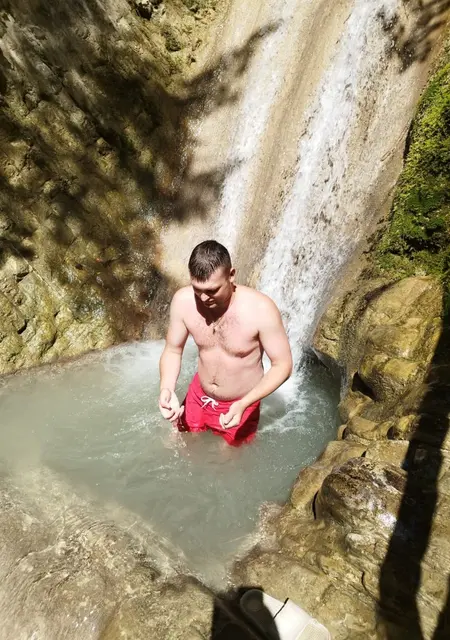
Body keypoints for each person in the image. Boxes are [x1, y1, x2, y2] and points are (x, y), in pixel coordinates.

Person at [158, 240, 293, 446]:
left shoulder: (261, 310)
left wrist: (245, 403)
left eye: (212, 290)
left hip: (241, 402)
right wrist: (166, 389)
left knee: (227, 461)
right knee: (179, 447)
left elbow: (283, 365)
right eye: (197, 289)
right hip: (198, 395)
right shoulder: (183, 302)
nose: (204, 298)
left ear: (231, 275)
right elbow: (173, 350)